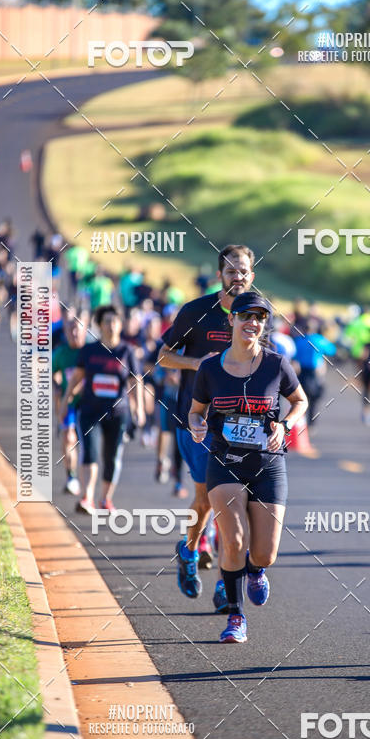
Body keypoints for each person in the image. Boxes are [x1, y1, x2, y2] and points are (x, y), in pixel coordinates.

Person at [188, 292, 308, 642]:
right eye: (244, 316)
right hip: (224, 461)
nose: (251, 323)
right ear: (232, 319)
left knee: (264, 553)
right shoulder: (210, 368)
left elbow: (300, 400)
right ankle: (235, 616)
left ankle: (256, 570)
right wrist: (197, 424)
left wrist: (285, 426)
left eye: (259, 318)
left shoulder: (276, 364)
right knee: (234, 539)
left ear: (265, 324)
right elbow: (197, 409)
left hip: (268, 464)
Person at [159, 245, 257, 611]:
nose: (238, 277)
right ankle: (188, 550)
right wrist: (198, 363)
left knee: (232, 505)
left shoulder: (257, 314)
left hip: (241, 428)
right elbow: (163, 355)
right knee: (207, 502)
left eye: (243, 270)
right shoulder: (196, 312)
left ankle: (223, 584)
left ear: (252, 274)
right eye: (231, 271)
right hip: (197, 423)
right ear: (220, 275)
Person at [59, 305, 145, 514]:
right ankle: (87, 497)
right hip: (90, 411)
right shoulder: (89, 351)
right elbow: (77, 378)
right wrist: (65, 400)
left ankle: (105, 498)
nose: (111, 325)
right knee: (90, 451)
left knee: (112, 456)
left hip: (118, 413)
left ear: (120, 324)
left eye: (115, 321)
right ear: (99, 325)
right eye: (107, 321)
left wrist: (139, 409)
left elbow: (136, 381)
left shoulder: (127, 352)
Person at [53, 307, 89, 496]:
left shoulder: (91, 350)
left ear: (85, 329)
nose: (74, 333)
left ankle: (87, 485)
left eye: (78, 328)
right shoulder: (61, 353)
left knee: (86, 443)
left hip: (90, 404)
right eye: (70, 329)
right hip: (70, 403)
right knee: (68, 436)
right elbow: (48, 372)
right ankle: (71, 476)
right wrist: (57, 386)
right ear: (65, 331)